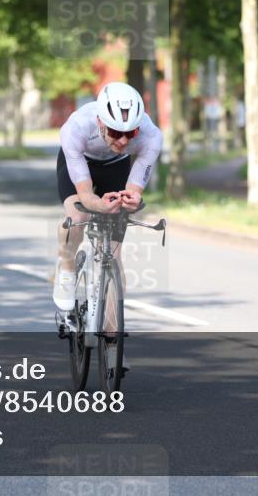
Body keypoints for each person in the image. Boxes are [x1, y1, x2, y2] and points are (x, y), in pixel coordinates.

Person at [54, 82, 163, 364]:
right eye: (116, 132)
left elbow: (135, 190)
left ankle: (113, 342)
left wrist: (132, 200)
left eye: (131, 133)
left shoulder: (151, 136)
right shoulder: (76, 128)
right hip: (79, 165)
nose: (124, 140)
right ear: (100, 121)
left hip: (116, 167)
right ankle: (66, 269)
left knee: (114, 252)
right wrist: (96, 204)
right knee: (77, 216)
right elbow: (86, 196)